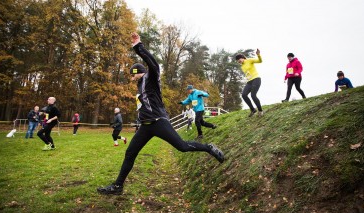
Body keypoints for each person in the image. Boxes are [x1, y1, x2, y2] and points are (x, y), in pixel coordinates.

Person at [97, 33, 224, 195]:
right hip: (146, 126)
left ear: (137, 71)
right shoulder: (140, 85)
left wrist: (138, 46)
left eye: (132, 74)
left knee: (182, 147)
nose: (131, 77)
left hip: (159, 123)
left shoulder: (150, 78)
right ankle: (117, 186)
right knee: (130, 153)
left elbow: (154, 65)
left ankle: (209, 148)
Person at [235, 50, 264, 117]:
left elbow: (260, 61)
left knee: (253, 95)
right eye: (237, 60)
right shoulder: (242, 66)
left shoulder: (249, 60)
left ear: (242, 58)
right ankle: (253, 110)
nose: (238, 61)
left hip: (256, 79)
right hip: (249, 81)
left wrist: (258, 55)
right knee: (244, 95)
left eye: (239, 59)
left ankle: (260, 110)